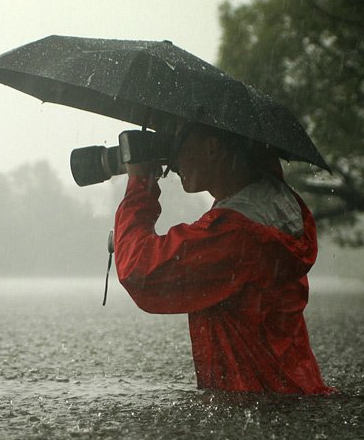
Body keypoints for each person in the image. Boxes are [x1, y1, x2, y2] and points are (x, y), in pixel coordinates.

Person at [113, 122, 333, 394]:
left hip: (256, 403)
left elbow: (139, 270)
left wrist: (139, 184)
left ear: (211, 147)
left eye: (179, 140)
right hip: (292, 390)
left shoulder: (234, 234)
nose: (173, 157)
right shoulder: (271, 204)